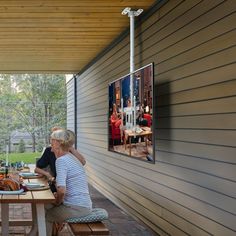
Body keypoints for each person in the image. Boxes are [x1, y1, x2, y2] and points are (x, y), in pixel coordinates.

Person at [46, 129, 92, 235]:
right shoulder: (71, 157)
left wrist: (57, 201)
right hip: (84, 205)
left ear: (58, 143)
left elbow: (61, 191)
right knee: (46, 205)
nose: (51, 149)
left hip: (77, 208)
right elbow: (83, 161)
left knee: (48, 216)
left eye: (52, 143)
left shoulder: (61, 161)